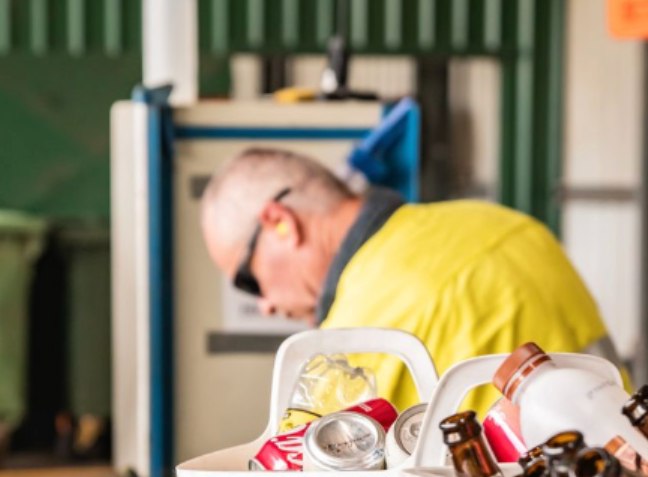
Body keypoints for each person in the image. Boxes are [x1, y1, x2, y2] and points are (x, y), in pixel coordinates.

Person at [200, 148, 621, 413]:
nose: (265, 306)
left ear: (280, 223)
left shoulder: (347, 345)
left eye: (247, 280)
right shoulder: (510, 226)